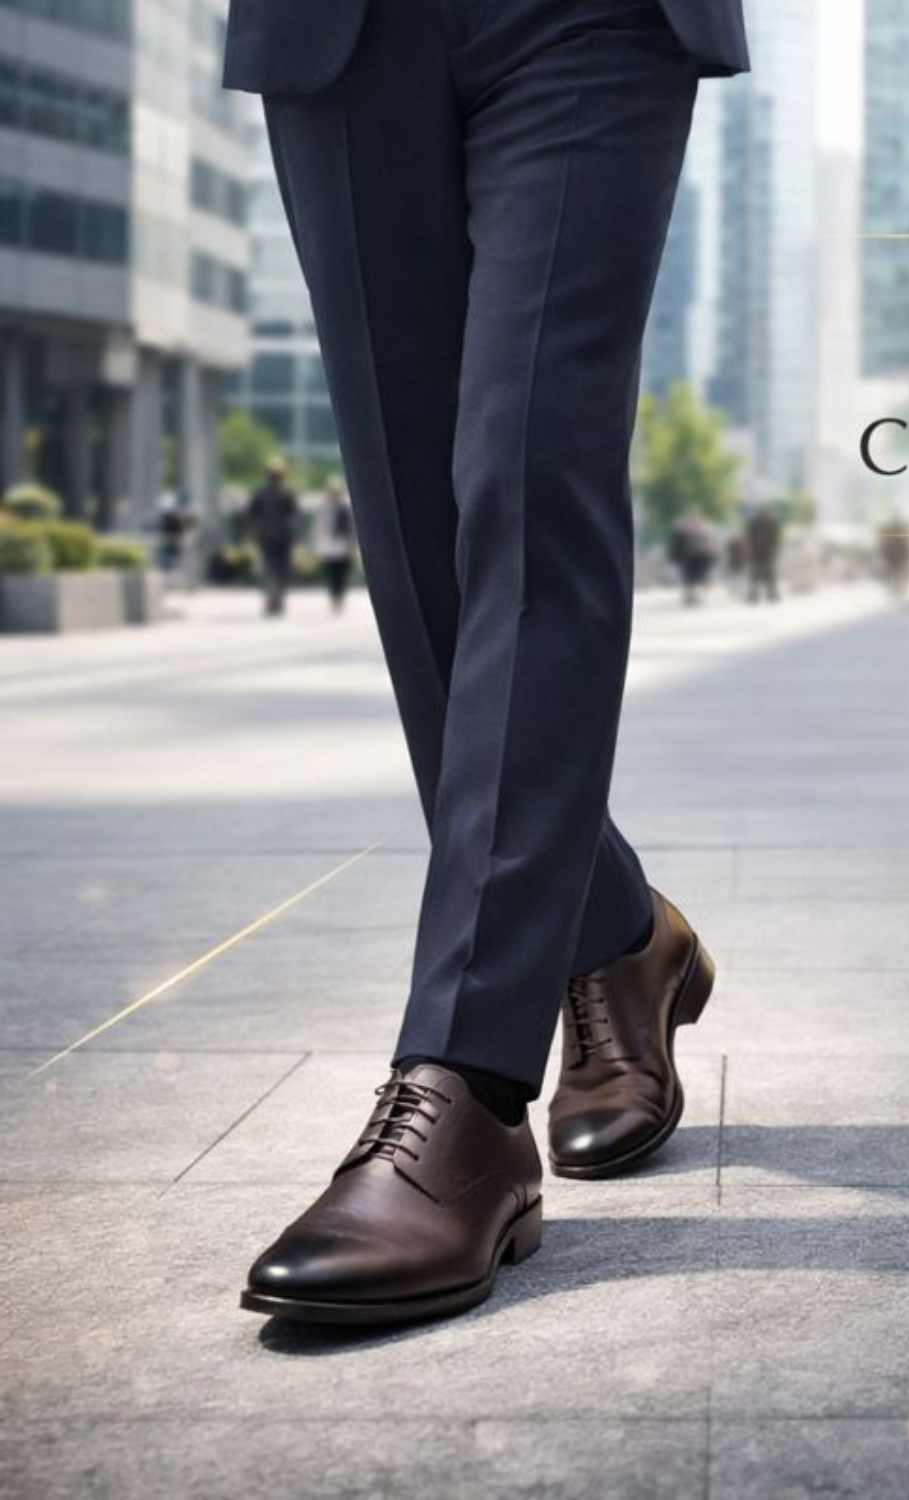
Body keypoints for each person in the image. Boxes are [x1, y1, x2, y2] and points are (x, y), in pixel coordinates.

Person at [223, 0, 749, 1325]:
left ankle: (463, 1097)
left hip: (594, 23)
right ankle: (615, 932)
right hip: (342, 29)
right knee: (420, 551)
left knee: (530, 473)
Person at [244, 458, 300, 617]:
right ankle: (276, 600)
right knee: (281, 569)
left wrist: (252, 535)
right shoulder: (287, 493)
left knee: (270, 568)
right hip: (282, 537)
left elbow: (251, 516)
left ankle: (272, 599)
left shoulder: (261, 494)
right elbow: (295, 517)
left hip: (267, 536)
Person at [313, 475, 356, 613]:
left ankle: (339, 596)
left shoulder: (345, 507)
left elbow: (351, 528)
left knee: (341, 574)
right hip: (329, 546)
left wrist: (351, 545)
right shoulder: (323, 507)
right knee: (331, 574)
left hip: (342, 546)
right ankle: (334, 596)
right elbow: (319, 528)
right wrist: (319, 544)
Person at [668, 508, 718, 605]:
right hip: (689, 557)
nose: (694, 521)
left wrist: (710, 555)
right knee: (689, 577)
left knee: (696, 577)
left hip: (700, 557)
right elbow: (676, 544)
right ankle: (691, 595)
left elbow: (710, 545)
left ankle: (694, 595)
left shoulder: (704, 529)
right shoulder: (684, 530)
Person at [744, 503, 782, 604]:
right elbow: (748, 537)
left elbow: (776, 538)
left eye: (765, 512)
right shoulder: (754, 523)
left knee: (769, 573)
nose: (764, 513)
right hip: (756, 552)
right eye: (762, 512)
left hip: (767, 552)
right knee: (755, 574)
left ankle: (771, 594)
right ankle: (754, 595)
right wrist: (749, 549)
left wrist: (775, 549)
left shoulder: (772, 523)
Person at [878, 514, 909, 598]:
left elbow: (907, 542)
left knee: (896, 571)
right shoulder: (897, 529)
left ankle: (897, 587)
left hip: (896, 555)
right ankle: (895, 587)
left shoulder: (899, 529)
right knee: (895, 571)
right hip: (893, 555)